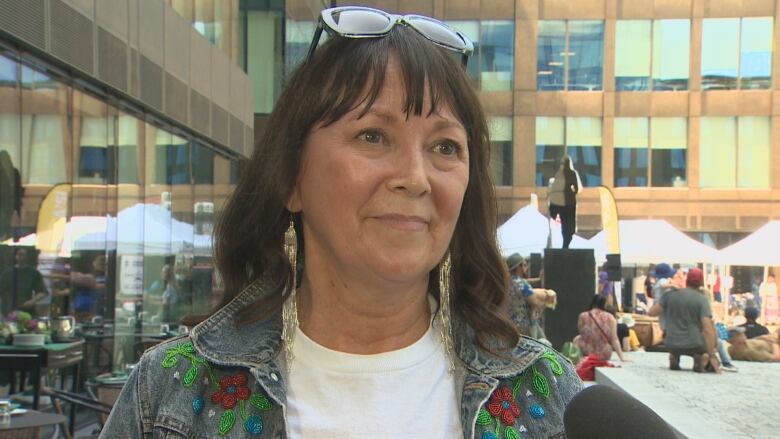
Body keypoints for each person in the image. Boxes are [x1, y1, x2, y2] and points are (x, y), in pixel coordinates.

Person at [102, 7, 582, 438]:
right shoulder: (173, 395)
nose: (415, 179)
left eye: (445, 147)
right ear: (291, 179)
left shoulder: (547, 396)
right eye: (373, 136)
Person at [649, 268, 720, 373]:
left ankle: (674, 355)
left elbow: (652, 312)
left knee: (676, 346)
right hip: (695, 343)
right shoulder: (702, 299)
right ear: (701, 282)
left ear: (687, 280)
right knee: (714, 331)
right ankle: (700, 358)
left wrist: (665, 297)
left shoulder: (670, 295)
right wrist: (712, 353)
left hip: (671, 342)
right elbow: (707, 328)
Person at [506, 253, 555, 342]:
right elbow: (534, 302)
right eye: (524, 265)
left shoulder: (505, 283)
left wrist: (538, 280)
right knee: (544, 345)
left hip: (508, 326)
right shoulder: (522, 284)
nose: (526, 267)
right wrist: (547, 301)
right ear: (518, 267)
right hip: (525, 327)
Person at [574, 295, 629, 362]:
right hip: (604, 353)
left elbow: (581, 333)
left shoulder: (583, 316)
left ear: (593, 302)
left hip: (586, 352)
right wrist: (622, 357)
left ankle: (577, 359)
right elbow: (614, 339)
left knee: (577, 338)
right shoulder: (610, 317)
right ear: (604, 304)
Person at [0, 247, 48, 317]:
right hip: (9, 311)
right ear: (15, 256)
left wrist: (32, 301)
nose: (21, 257)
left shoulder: (33, 273)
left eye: (24, 255)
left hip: (28, 311)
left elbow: (43, 292)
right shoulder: (7, 274)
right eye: (19, 255)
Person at [547, 156, 580, 248]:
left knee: (565, 225)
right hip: (569, 203)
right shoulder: (572, 174)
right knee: (569, 225)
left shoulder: (559, 174)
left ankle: (565, 243)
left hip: (562, 204)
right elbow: (576, 188)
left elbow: (554, 190)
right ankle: (566, 243)